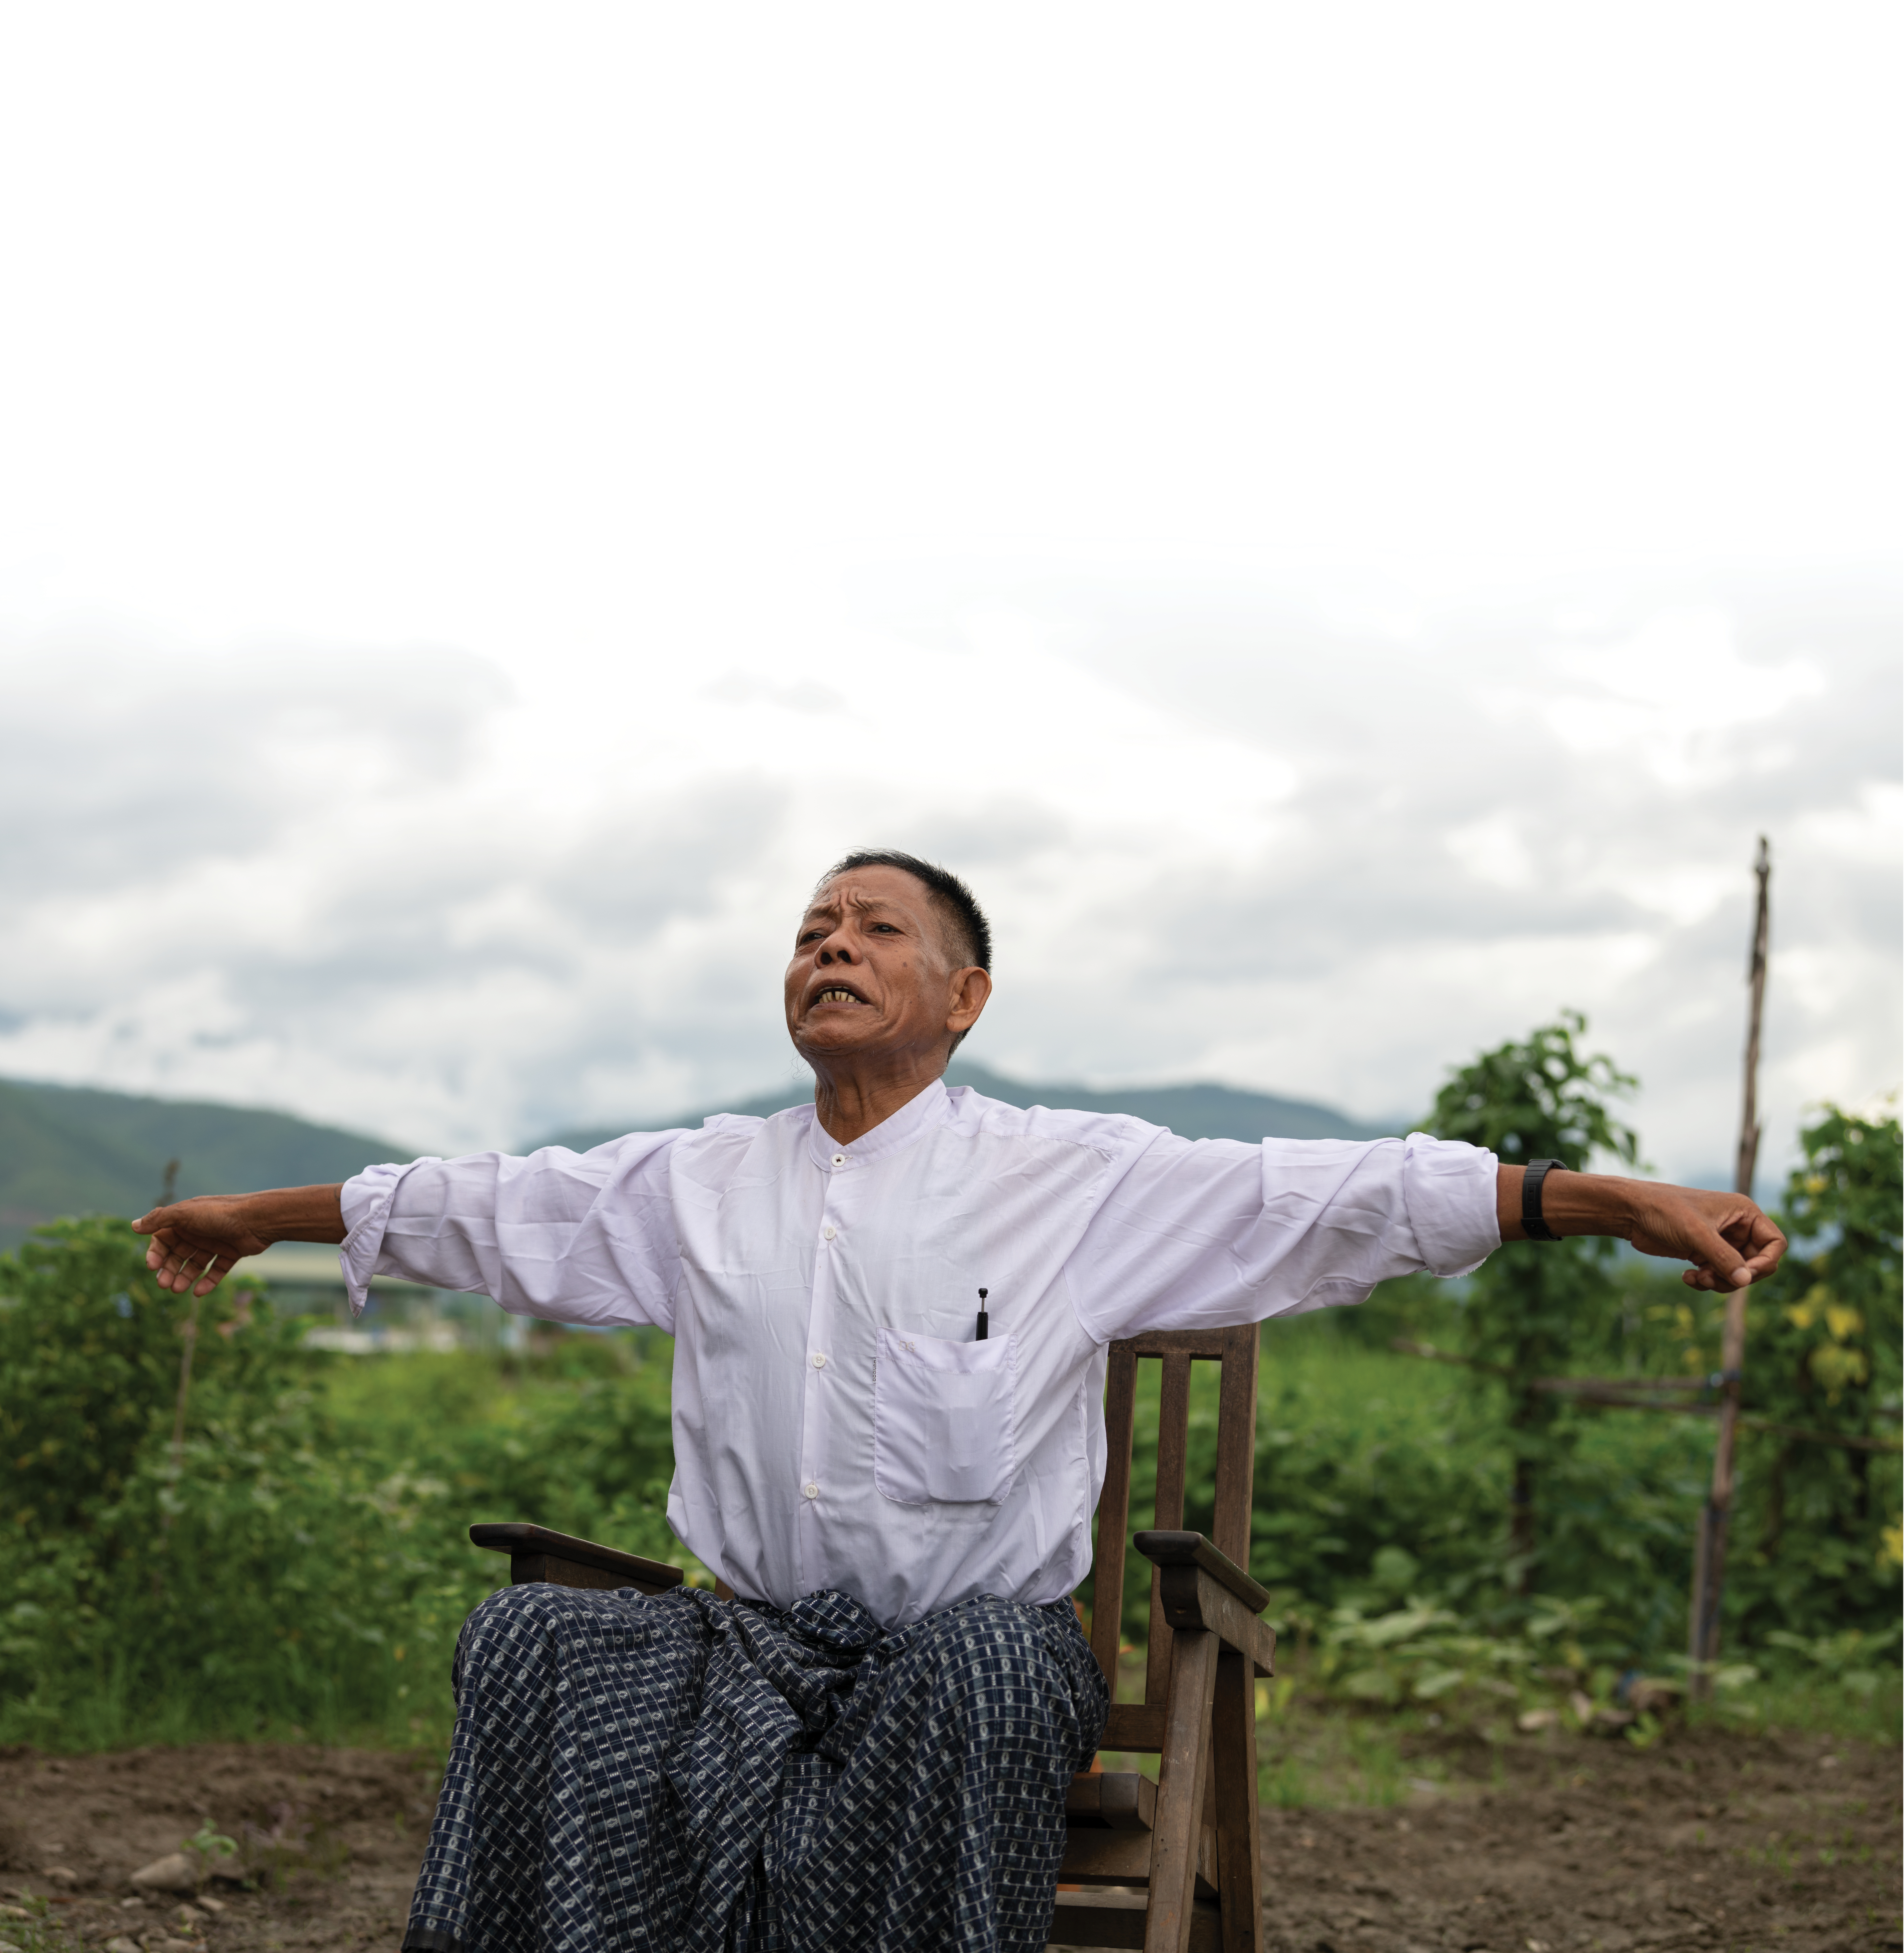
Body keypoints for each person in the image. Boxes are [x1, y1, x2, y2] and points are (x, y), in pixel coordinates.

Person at [135, 849, 1786, 1953]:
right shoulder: (694, 1181)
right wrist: (256, 1216)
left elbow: (1334, 1194)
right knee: (532, 1640)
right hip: (746, 1638)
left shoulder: (1073, 1178)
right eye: (809, 934)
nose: (830, 948)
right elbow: (477, 1208)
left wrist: (1612, 1198)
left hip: (970, 1650)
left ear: (965, 995)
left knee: (993, 1668)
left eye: (874, 932)